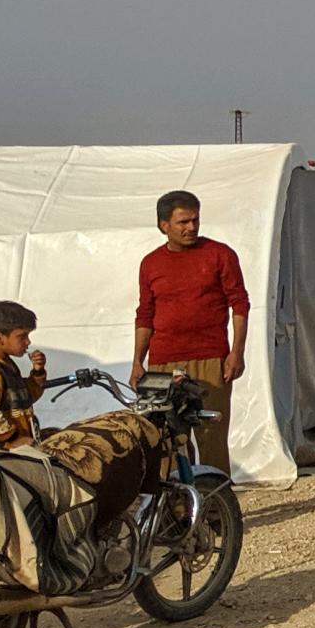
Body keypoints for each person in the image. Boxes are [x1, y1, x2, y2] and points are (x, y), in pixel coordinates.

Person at [132, 190, 250, 474]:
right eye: (183, 222)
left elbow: (240, 304)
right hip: (163, 364)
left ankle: (216, 509)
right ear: (164, 226)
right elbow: (145, 314)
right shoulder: (151, 263)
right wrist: (138, 361)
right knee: (170, 440)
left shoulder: (220, 254)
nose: (192, 227)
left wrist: (237, 352)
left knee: (211, 436)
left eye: (195, 220)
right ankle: (177, 510)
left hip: (210, 359)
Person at [0, 300, 50, 450]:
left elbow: (25, 398)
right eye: (22, 336)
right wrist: (13, 439)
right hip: (6, 452)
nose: (28, 342)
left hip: (22, 445)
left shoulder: (8, 366)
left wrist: (37, 372)